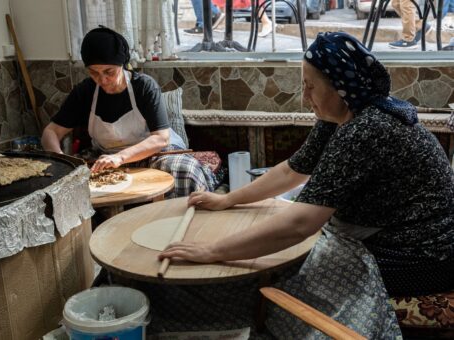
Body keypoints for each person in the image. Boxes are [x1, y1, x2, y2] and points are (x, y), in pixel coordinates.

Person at [154, 32, 454, 338]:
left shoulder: (368, 128)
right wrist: (228, 199)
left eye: (311, 87)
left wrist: (212, 251)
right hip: (387, 233)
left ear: (340, 88)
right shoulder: (343, 114)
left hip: (424, 255)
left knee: (285, 269)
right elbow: (293, 171)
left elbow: (300, 224)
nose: (305, 96)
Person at [41, 26, 217, 197]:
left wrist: (121, 157)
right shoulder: (85, 92)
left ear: (122, 64)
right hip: (106, 158)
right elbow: (51, 132)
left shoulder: (144, 87)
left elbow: (161, 138)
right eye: (94, 73)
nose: (102, 79)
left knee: (185, 172)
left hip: (153, 154)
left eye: (109, 71)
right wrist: (62, 162)